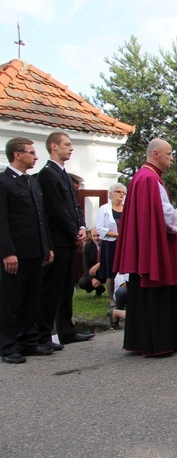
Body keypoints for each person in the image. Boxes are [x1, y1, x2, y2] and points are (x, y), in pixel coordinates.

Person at [113, 139, 177, 357]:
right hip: (155, 248)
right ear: (156, 154)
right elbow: (165, 214)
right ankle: (159, 343)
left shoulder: (139, 177)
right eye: (169, 153)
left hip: (142, 248)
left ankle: (141, 341)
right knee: (158, 290)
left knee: (141, 293)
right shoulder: (151, 179)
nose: (171, 158)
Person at [36, 131, 93, 347]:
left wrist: (81, 227)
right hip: (57, 240)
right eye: (66, 144)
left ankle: (67, 330)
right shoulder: (47, 174)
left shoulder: (64, 175)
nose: (71, 148)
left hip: (70, 239)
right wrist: (73, 233)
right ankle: (43, 335)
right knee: (52, 289)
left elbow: (75, 206)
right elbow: (57, 210)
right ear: (54, 146)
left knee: (67, 287)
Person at [0, 138, 54, 363]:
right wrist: (7, 252)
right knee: (11, 300)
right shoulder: (4, 182)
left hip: (35, 250)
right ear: (17, 155)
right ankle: (8, 345)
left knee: (32, 299)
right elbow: (1, 220)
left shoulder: (32, 182)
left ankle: (29, 341)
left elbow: (41, 219)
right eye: (31, 152)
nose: (36, 156)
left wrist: (47, 246)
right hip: (16, 252)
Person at [96, 182, 126, 309]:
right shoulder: (104, 209)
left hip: (125, 244)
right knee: (110, 272)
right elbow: (100, 228)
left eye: (123, 192)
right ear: (112, 194)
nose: (122, 194)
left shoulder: (127, 208)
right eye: (119, 192)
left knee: (124, 269)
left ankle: (123, 295)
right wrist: (117, 235)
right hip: (110, 244)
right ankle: (111, 299)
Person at [78, 227, 106, 297]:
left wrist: (99, 264)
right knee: (82, 282)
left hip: (107, 272)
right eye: (94, 236)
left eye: (98, 235)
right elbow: (85, 265)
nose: (96, 238)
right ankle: (99, 289)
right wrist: (92, 279)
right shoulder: (88, 246)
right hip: (95, 274)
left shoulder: (108, 245)